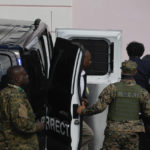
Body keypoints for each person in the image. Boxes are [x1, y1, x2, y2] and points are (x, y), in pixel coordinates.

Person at [77, 60, 150, 150]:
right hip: (133, 132)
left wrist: (83, 111)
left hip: (114, 131)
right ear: (135, 72)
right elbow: (148, 113)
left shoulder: (112, 88)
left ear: (122, 71)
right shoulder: (142, 92)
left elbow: (99, 107)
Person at [0, 66, 44, 150]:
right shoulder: (17, 98)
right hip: (19, 145)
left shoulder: (4, 92)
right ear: (17, 79)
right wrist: (38, 126)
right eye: (24, 74)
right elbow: (22, 125)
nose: (27, 76)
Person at [80, 49, 94, 150]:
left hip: (80, 111)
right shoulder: (73, 74)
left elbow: (82, 93)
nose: (90, 62)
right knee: (89, 134)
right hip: (73, 112)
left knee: (85, 145)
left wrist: (84, 99)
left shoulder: (83, 74)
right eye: (89, 59)